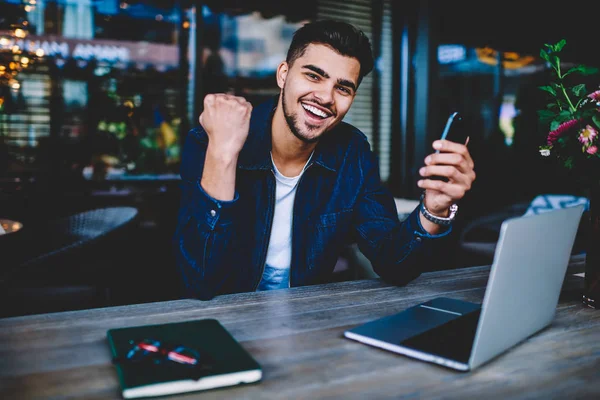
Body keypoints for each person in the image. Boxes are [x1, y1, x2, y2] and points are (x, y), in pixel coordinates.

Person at [174, 20, 476, 300]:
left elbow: (393, 263)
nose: (326, 97)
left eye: (343, 87)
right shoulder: (213, 139)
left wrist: (433, 209)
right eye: (313, 75)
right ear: (283, 75)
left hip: (306, 325)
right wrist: (224, 153)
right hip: (221, 324)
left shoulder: (352, 152)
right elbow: (202, 282)